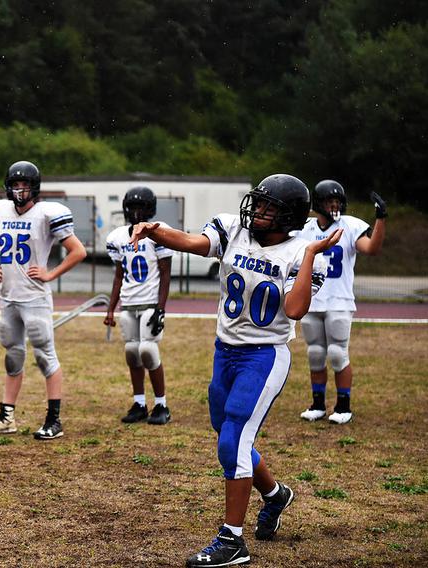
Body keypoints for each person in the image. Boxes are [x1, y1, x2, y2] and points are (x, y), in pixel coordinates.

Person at [129, 174, 339, 567]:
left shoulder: (301, 252)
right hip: (224, 351)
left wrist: (309, 255)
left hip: (263, 355)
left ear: (287, 217)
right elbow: (192, 242)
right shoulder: (233, 228)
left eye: (267, 207)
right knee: (226, 431)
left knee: (233, 443)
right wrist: (155, 230)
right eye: (257, 203)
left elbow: (294, 310)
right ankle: (275, 494)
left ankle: (232, 540)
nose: (256, 212)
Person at [0, 161, 87, 440]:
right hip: (9, 297)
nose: (19, 190)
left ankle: (54, 420)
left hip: (35, 297)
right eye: (15, 184)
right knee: (13, 356)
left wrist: (51, 274)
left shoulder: (47, 213)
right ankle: (7, 417)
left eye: (24, 185)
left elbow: (78, 251)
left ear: (34, 187)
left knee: (45, 356)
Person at [297, 181, 387, 424]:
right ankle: (317, 405)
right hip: (313, 300)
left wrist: (380, 218)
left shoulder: (349, 225)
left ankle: (343, 406)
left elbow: (371, 248)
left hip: (339, 301)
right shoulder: (305, 228)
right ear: (318, 204)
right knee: (315, 354)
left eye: (337, 202)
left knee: (337, 354)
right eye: (329, 202)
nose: (335, 206)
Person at [104, 186, 173, 425]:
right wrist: (111, 308)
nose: (135, 212)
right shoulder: (118, 237)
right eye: (132, 207)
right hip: (129, 303)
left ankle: (162, 405)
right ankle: (140, 403)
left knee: (148, 350)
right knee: (132, 352)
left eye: (140, 207)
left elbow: (165, 274)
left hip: (150, 303)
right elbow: (118, 275)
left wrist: (160, 308)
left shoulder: (157, 234)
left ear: (149, 209)